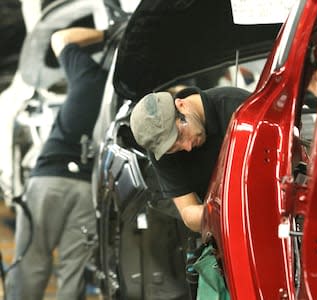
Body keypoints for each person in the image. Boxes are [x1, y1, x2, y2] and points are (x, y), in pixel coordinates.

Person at [5, 27, 109, 300]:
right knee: (73, 272)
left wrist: (107, 33)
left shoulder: (90, 74)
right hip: (89, 187)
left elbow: (60, 38)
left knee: (31, 265)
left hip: (51, 177)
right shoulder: (130, 89)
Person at [130, 86, 251, 232]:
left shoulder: (238, 106)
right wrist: (222, 212)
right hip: (232, 226)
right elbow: (188, 212)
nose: (187, 147)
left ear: (182, 105)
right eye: (173, 148)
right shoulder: (161, 151)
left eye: (180, 134)